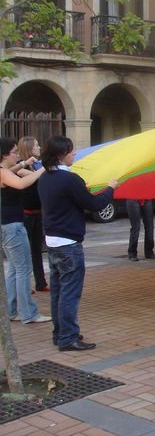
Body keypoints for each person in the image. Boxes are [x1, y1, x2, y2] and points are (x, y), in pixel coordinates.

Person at [38, 136, 118, 351]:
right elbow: (94, 204)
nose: (75, 154)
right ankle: (68, 338)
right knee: (69, 293)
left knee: (58, 292)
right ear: (62, 154)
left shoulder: (46, 177)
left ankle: (60, 333)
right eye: (72, 151)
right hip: (68, 244)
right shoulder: (69, 179)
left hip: (53, 242)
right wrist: (110, 188)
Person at [1, 137, 50, 324]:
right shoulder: (4, 173)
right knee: (23, 269)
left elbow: (11, 172)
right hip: (13, 227)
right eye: (14, 152)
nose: (16, 154)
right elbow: (21, 183)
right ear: (5, 155)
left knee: (14, 269)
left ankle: (11, 310)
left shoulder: (4, 171)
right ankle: (28, 313)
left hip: (7, 226)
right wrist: (44, 169)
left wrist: (23, 163)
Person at [17, 136, 48, 291]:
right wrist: (45, 167)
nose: (39, 147)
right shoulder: (19, 167)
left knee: (37, 250)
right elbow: (31, 177)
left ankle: (41, 282)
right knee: (24, 252)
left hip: (37, 213)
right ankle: (25, 285)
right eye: (36, 145)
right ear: (29, 148)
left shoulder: (37, 165)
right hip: (25, 214)